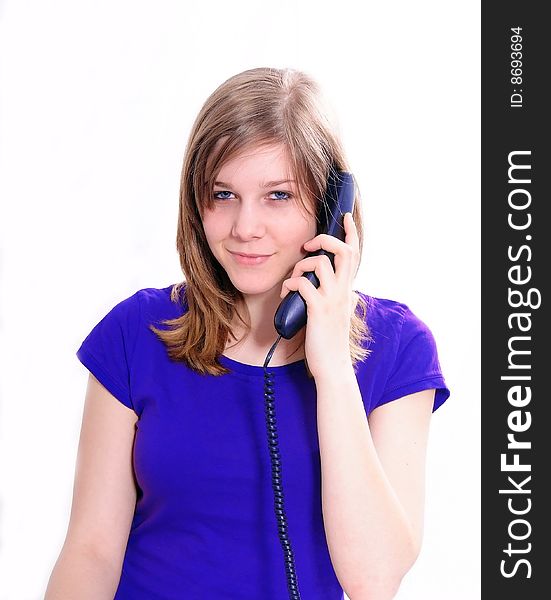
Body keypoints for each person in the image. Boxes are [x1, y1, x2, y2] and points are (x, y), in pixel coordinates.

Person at [45, 67, 450, 600]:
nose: (244, 227)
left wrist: (329, 364)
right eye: (223, 193)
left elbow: (374, 579)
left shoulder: (397, 347)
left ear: (333, 209)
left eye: (278, 195)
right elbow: (91, 550)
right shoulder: (134, 333)